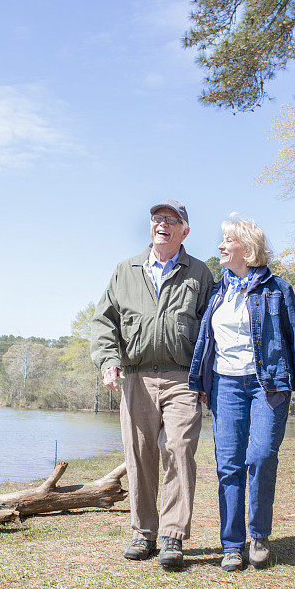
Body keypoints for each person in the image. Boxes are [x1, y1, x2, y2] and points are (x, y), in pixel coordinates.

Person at [91, 200, 214, 570]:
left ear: (185, 231)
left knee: (179, 449)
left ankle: (172, 535)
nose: (162, 224)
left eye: (172, 220)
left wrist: (209, 377)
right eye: (158, 218)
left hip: (183, 377)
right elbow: (102, 323)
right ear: (151, 227)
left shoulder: (200, 274)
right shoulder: (124, 271)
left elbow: (212, 331)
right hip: (137, 376)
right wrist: (109, 360)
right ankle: (143, 532)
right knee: (139, 454)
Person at [188, 217, 295, 572]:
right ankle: (232, 544)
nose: (220, 247)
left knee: (260, 457)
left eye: (227, 240)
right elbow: (204, 342)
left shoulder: (278, 290)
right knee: (228, 465)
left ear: (246, 248)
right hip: (225, 385)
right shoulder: (216, 291)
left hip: (268, 385)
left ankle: (259, 534)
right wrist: (199, 382)